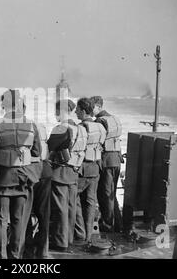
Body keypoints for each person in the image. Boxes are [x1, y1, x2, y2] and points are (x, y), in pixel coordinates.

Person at [0, 89, 42, 259]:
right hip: (23, 179)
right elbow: (36, 152)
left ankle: (0, 257)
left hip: (2, 179)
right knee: (19, 221)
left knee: (0, 221)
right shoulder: (31, 124)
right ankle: (16, 257)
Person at [47, 99, 87, 253]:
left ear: (63, 110)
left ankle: (60, 242)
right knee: (71, 208)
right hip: (74, 172)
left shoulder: (61, 128)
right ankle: (68, 238)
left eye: (57, 111)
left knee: (60, 209)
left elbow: (49, 149)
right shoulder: (80, 128)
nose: (55, 114)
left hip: (60, 172)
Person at [21, 104, 52, 259]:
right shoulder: (40, 126)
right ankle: (43, 251)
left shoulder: (13, 127)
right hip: (44, 171)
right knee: (43, 214)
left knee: (24, 214)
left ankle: (26, 251)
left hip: (28, 173)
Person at [74, 97, 106, 244]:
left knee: (73, 200)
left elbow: (76, 148)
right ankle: (88, 235)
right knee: (90, 202)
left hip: (82, 168)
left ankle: (80, 233)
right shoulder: (100, 127)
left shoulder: (82, 127)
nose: (75, 112)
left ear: (83, 110)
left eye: (77, 110)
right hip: (95, 168)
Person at [90, 96, 123, 234]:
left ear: (98, 106)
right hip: (116, 160)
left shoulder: (99, 121)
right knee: (112, 194)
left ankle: (108, 225)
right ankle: (119, 223)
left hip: (107, 161)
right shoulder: (114, 118)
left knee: (105, 194)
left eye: (92, 107)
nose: (90, 111)